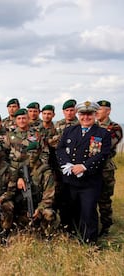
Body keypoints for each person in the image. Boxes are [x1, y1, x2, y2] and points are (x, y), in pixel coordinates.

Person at [56, 101, 111, 243]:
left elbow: (103, 154)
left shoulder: (102, 133)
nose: (85, 117)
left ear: (95, 115)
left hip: (89, 181)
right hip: (70, 180)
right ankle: (71, 236)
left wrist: (84, 166)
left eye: (89, 114)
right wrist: (67, 164)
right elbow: (60, 149)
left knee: (88, 212)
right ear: (78, 115)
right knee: (70, 210)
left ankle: (89, 242)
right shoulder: (70, 130)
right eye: (82, 114)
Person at [16, 142, 59, 236]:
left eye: (34, 152)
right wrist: (18, 179)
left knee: (48, 214)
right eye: (29, 152)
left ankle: (45, 235)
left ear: (39, 153)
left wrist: (39, 209)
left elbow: (49, 196)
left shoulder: (46, 172)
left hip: (39, 205)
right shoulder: (21, 169)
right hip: (23, 207)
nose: (31, 155)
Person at [96, 100, 123, 236]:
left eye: (100, 109)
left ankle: (106, 227)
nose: (96, 112)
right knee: (90, 198)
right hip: (91, 168)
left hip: (105, 168)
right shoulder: (92, 125)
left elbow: (106, 146)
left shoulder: (115, 128)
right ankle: (93, 225)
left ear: (108, 111)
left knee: (104, 199)